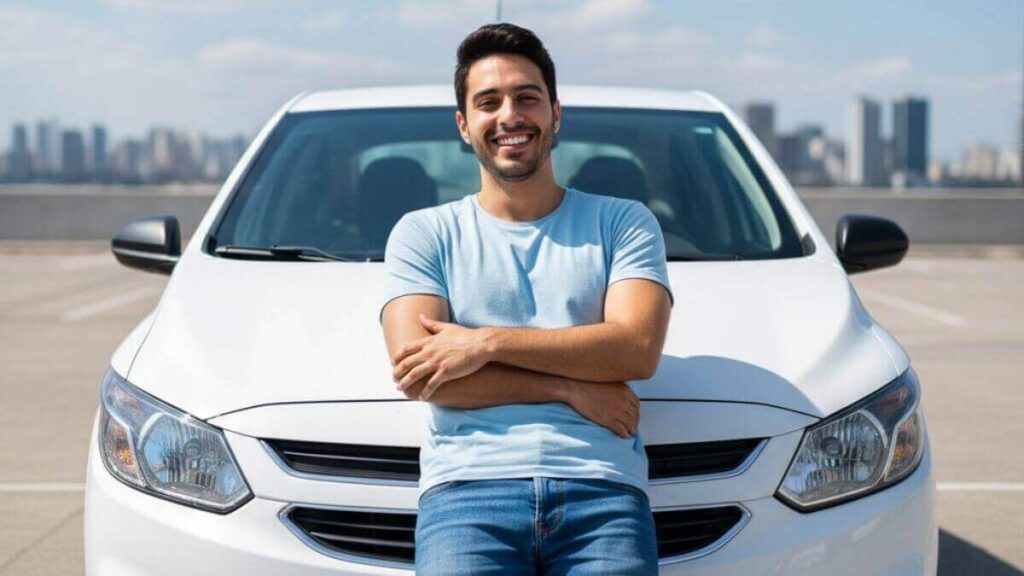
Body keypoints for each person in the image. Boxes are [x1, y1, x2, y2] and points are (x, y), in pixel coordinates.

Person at [379, 22, 673, 575]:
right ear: (464, 126)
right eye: (488, 102)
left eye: (527, 98)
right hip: (467, 493)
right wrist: (568, 385)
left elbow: (635, 349)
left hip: (602, 489)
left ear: (555, 114)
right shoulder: (424, 234)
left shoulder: (623, 223)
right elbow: (421, 375)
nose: (509, 115)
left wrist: (483, 343)